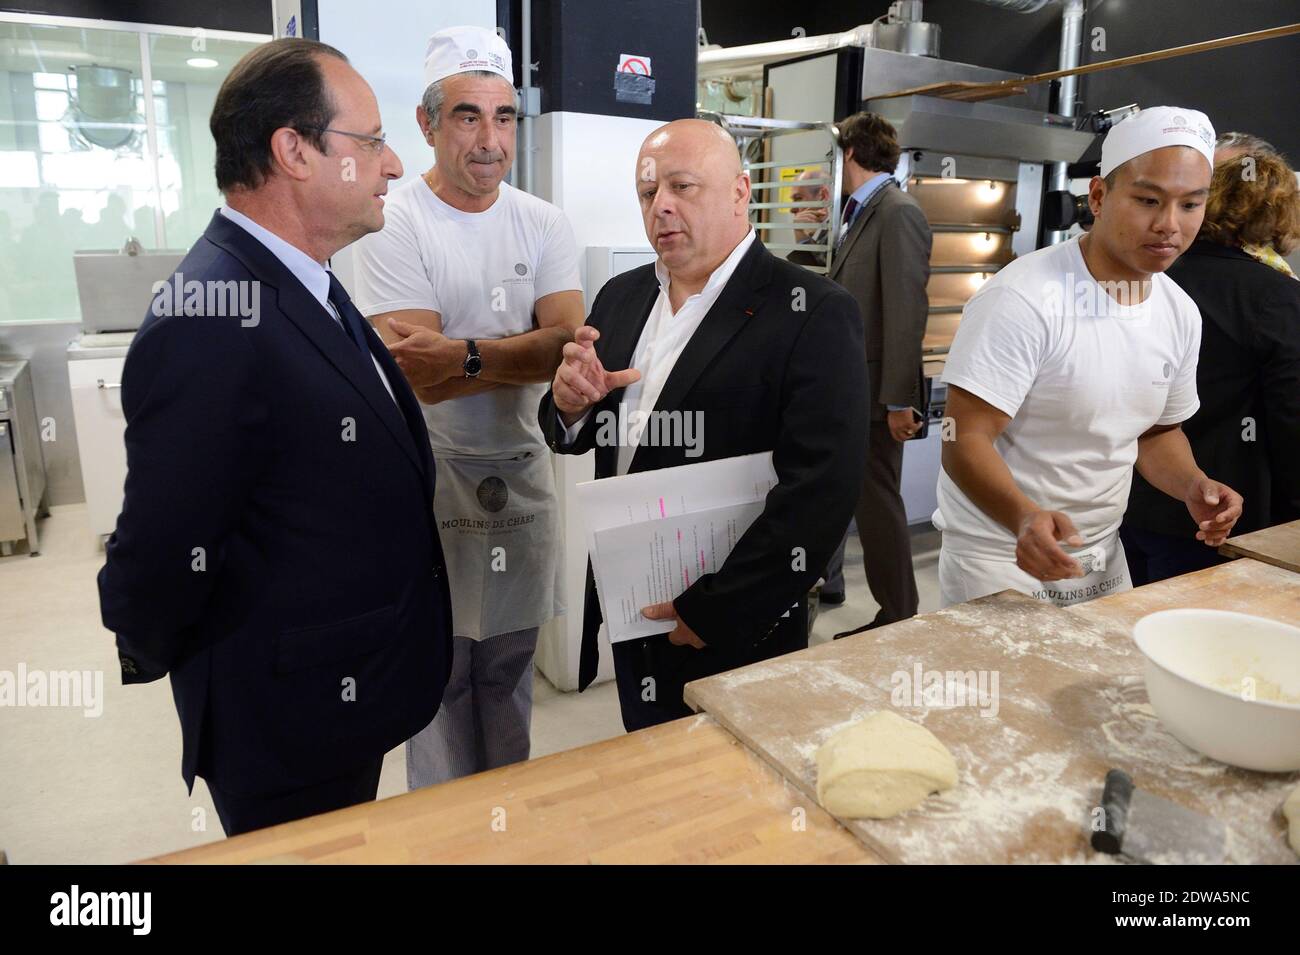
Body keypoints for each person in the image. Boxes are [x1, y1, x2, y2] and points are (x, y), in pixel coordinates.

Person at [98, 38, 453, 836]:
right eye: (370, 141)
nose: (394, 164)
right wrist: (167, 651)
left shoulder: (301, 281)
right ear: (293, 150)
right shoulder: (210, 317)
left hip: (338, 695)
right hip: (287, 720)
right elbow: (159, 553)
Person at [538, 119, 868, 730]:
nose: (660, 205)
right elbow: (576, 428)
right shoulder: (620, 295)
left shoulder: (811, 311)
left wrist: (720, 611)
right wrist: (569, 405)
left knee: (734, 796)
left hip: (737, 622)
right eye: (647, 192)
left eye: (683, 186)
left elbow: (823, 491)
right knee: (651, 763)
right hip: (634, 602)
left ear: (740, 192)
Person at [353, 26, 582, 787]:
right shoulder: (397, 222)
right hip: (431, 477)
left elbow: (564, 348)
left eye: (504, 117)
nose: (490, 140)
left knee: (508, 669)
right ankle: (449, 835)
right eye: (466, 116)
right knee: (442, 675)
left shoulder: (542, 221)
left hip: (520, 472)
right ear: (426, 123)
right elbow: (421, 377)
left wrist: (468, 355)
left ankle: (505, 826)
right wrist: (522, 352)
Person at [933, 106, 1243, 608]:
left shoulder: (1179, 310)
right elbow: (963, 437)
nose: (1168, 225)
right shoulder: (1024, 298)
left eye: (1190, 205)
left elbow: (1156, 432)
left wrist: (1193, 484)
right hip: (1001, 555)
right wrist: (1022, 517)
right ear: (1098, 196)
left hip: (1102, 553)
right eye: (1147, 200)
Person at [1122, 133, 1300, 584]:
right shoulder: (1275, 296)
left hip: (1127, 499)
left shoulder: (1144, 277)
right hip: (1221, 516)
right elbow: (1291, 419)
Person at [817, 112, 931, 629]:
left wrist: (899, 401)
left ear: (849, 155)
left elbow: (906, 309)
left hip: (877, 396)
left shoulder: (897, 211)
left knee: (878, 503)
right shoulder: (862, 210)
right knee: (863, 498)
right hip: (854, 391)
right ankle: (886, 603)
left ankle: (900, 610)